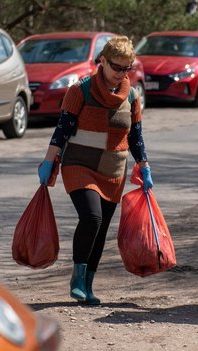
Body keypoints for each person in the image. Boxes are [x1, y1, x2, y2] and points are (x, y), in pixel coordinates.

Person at [37, 35, 152, 305]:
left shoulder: (132, 97)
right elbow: (62, 130)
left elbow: (135, 136)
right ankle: (77, 278)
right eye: (117, 67)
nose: (122, 74)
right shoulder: (80, 90)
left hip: (113, 170)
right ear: (102, 60)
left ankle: (88, 285)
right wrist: (48, 160)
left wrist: (144, 166)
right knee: (92, 218)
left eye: (128, 68)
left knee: (101, 230)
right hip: (80, 165)